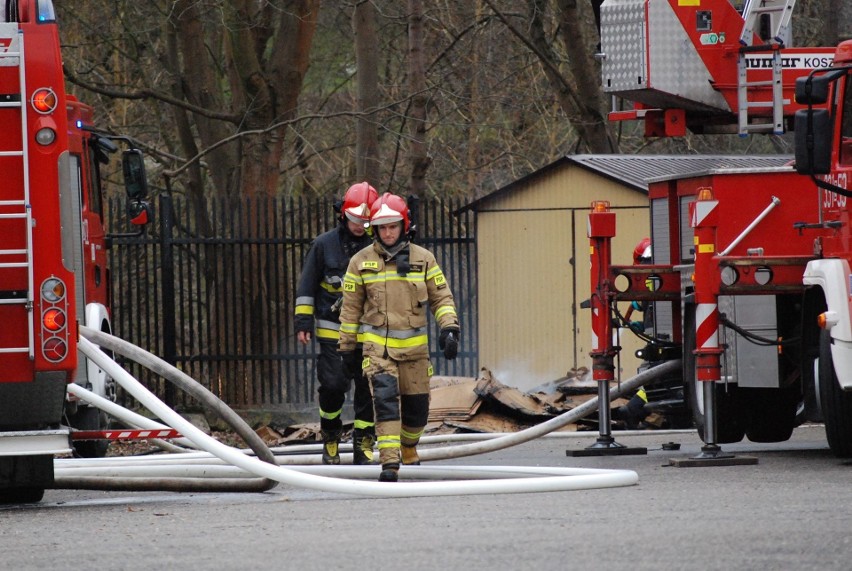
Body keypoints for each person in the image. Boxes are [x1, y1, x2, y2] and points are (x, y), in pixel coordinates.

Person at [338, 193, 459, 482]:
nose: (388, 232)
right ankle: (389, 464)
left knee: (417, 412)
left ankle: (408, 446)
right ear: (374, 230)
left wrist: (449, 328)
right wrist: (347, 348)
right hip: (378, 352)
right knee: (385, 403)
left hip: (415, 353)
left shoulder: (424, 259)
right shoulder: (360, 262)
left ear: (404, 225)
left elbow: (441, 298)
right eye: (382, 227)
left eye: (393, 226)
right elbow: (351, 308)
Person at [295, 182, 379, 465]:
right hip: (333, 329)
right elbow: (306, 285)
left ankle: (363, 443)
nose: (360, 225)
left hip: (370, 334)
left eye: (366, 221)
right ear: (343, 214)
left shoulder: (379, 246)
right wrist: (303, 322)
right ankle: (331, 437)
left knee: (368, 388)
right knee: (332, 386)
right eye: (355, 218)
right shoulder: (323, 245)